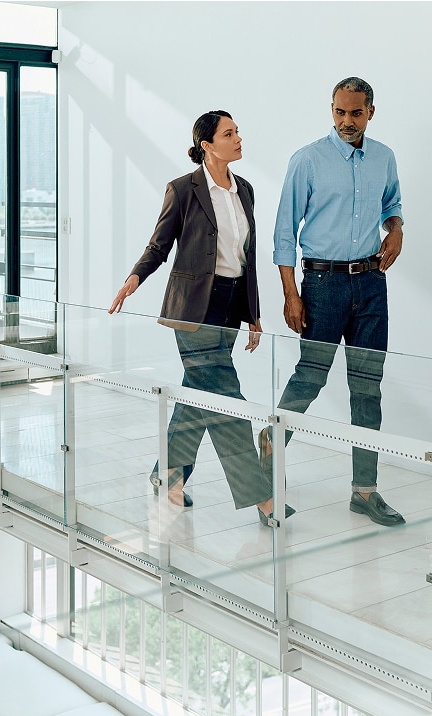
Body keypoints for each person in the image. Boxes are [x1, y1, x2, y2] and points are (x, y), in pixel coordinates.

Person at [109, 110, 293, 526]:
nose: (238, 138)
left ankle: (167, 477)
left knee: (199, 394)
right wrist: (133, 279)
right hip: (193, 310)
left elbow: (247, 258)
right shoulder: (183, 189)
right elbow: (159, 245)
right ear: (207, 145)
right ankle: (263, 497)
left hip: (230, 306)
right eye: (229, 134)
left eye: (237, 131)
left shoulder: (244, 189)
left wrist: (254, 315)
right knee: (227, 400)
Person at [260, 77, 405, 527]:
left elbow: (391, 203)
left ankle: (364, 491)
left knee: (367, 387)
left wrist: (396, 227)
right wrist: (291, 294)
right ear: (332, 109)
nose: (346, 121)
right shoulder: (308, 160)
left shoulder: (383, 157)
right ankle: (265, 466)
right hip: (321, 285)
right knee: (310, 377)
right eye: (339, 112)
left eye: (355, 114)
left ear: (371, 113)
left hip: (371, 284)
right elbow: (284, 232)